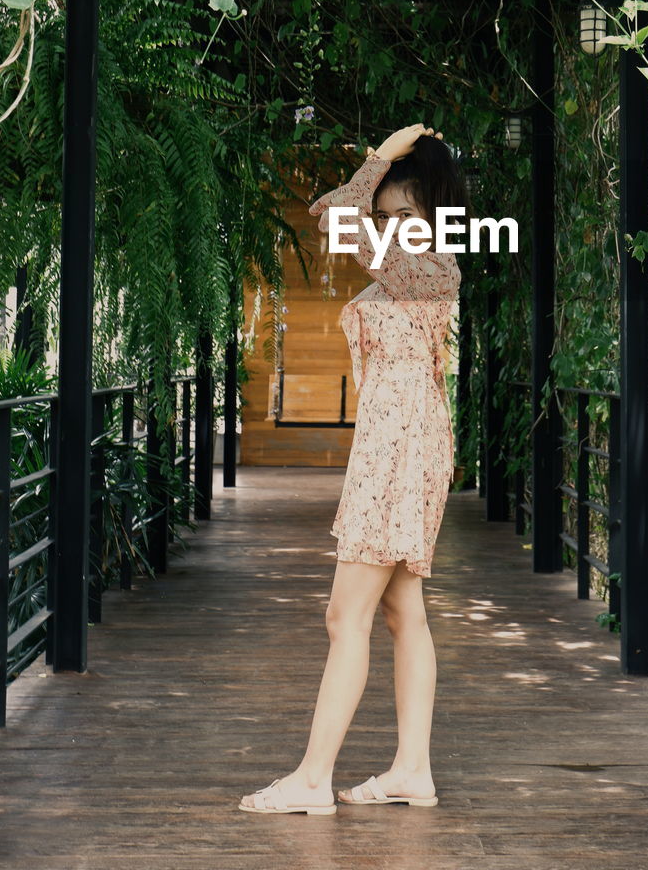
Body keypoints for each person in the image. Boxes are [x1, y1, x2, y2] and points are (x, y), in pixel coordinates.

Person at [239, 122, 468, 816]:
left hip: (400, 449)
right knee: (402, 613)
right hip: (398, 442)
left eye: (407, 214)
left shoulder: (430, 266)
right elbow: (337, 213)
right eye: (387, 216)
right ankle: (412, 771)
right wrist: (377, 174)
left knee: (346, 617)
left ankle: (313, 780)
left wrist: (379, 156)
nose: (392, 226)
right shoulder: (412, 264)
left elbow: (334, 213)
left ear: (435, 216)